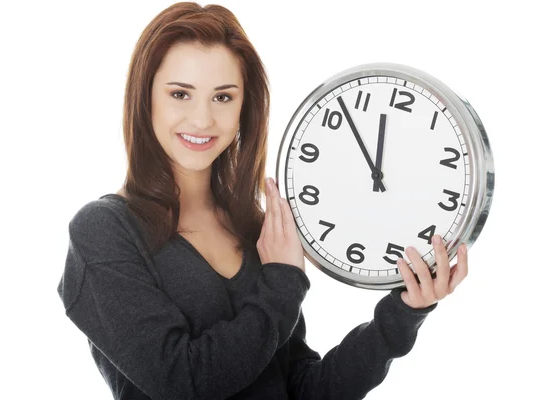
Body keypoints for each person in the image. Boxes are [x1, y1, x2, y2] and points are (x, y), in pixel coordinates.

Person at [56, 2, 469, 399]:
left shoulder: (255, 230)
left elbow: (305, 390)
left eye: (223, 97)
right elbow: (183, 383)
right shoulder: (104, 232)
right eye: (180, 94)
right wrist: (283, 281)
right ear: (144, 98)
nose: (202, 119)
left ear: (243, 108)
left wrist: (403, 313)